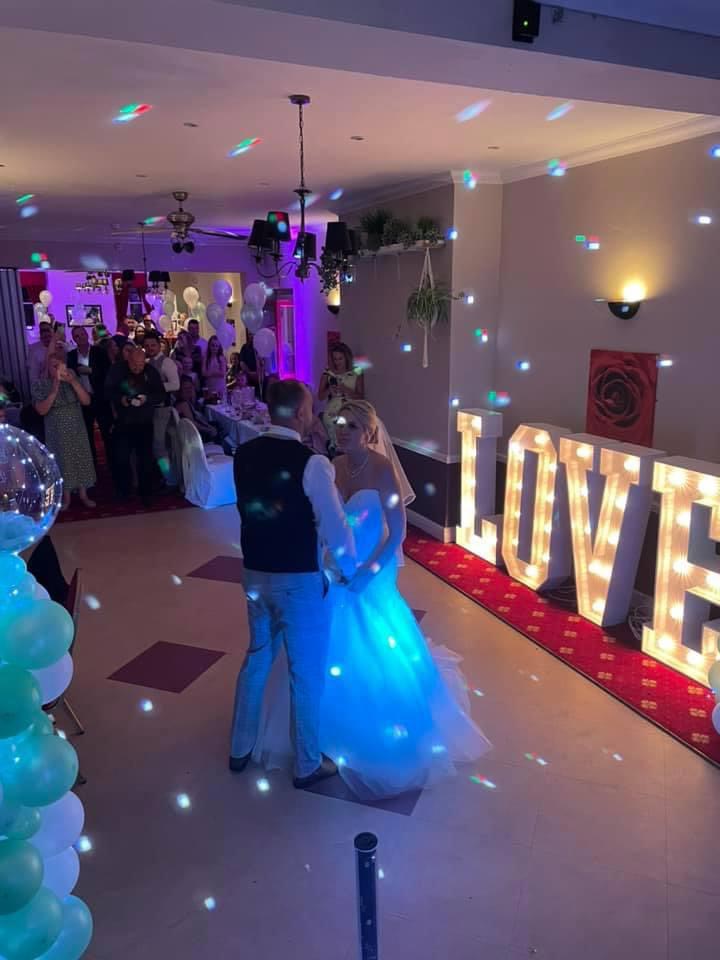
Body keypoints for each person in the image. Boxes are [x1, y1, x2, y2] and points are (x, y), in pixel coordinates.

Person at [253, 399, 490, 798]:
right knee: (322, 650)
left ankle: (375, 730)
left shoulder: (382, 470)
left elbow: (397, 534)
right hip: (334, 569)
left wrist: (368, 573)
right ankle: (318, 734)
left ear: (369, 432)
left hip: (372, 573)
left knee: (372, 646)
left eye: (351, 426)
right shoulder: (332, 465)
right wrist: (325, 561)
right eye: (338, 424)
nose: (342, 431)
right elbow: (324, 522)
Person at [230, 379, 357, 789]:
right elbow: (336, 526)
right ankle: (306, 763)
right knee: (306, 673)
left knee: (257, 658)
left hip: (254, 574)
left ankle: (239, 747)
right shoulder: (312, 463)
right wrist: (348, 568)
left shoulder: (244, 452)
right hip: (297, 581)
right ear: (301, 413)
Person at [32, 351, 96, 510]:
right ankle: (65, 497)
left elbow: (86, 401)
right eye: (53, 366)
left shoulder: (72, 379)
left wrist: (73, 382)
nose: (57, 369)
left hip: (76, 426)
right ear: (47, 367)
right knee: (62, 460)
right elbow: (41, 410)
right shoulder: (40, 384)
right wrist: (54, 387)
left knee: (81, 456)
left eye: (60, 366)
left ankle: (83, 494)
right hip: (56, 429)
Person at [109, 346, 164, 505]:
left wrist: (147, 399)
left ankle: (146, 492)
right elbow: (108, 391)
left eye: (141, 365)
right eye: (134, 365)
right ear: (128, 360)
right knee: (122, 458)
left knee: (145, 458)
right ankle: (123, 491)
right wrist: (121, 399)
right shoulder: (117, 370)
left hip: (144, 422)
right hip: (123, 421)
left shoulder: (151, 371)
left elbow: (160, 394)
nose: (138, 368)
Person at [318, 342, 364, 454]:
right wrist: (329, 390)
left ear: (346, 358)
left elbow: (361, 396)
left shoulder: (356, 371)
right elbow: (320, 397)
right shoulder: (328, 372)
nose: (337, 362)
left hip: (350, 405)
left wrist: (345, 389)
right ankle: (335, 448)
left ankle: (345, 449)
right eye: (335, 359)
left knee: (346, 422)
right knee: (331, 419)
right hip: (334, 406)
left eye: (340, 359)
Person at [66, 326, 97, 464]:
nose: (80, 338)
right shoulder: (71, 356)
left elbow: (106, 372)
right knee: (87, 435)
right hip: (82, 400)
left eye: (82, 334)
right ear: (73, 339)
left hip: (99, 398)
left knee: (107, 435)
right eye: (76, 336)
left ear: (87, 334)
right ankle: (92, 466)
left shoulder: (98, 352)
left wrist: (91, 371)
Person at [175, 376, 219, 443]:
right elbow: (193, 424)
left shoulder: (187, 400)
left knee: (216, 424)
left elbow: (197, 418)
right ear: (180, 390)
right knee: (218, 430)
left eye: (190, 387)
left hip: (193, 431)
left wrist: (208, 426)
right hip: (193, 436)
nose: (189, 390)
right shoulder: (183, 404)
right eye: (185, 388)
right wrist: (209, 430)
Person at [143, 330, 180, 397]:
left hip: (163, 401)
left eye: (153, 345)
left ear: (159, 346)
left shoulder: (167, 362)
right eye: (147, 346)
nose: (150, 348)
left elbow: (175, 385)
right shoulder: (146, 362)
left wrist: (154, 387)